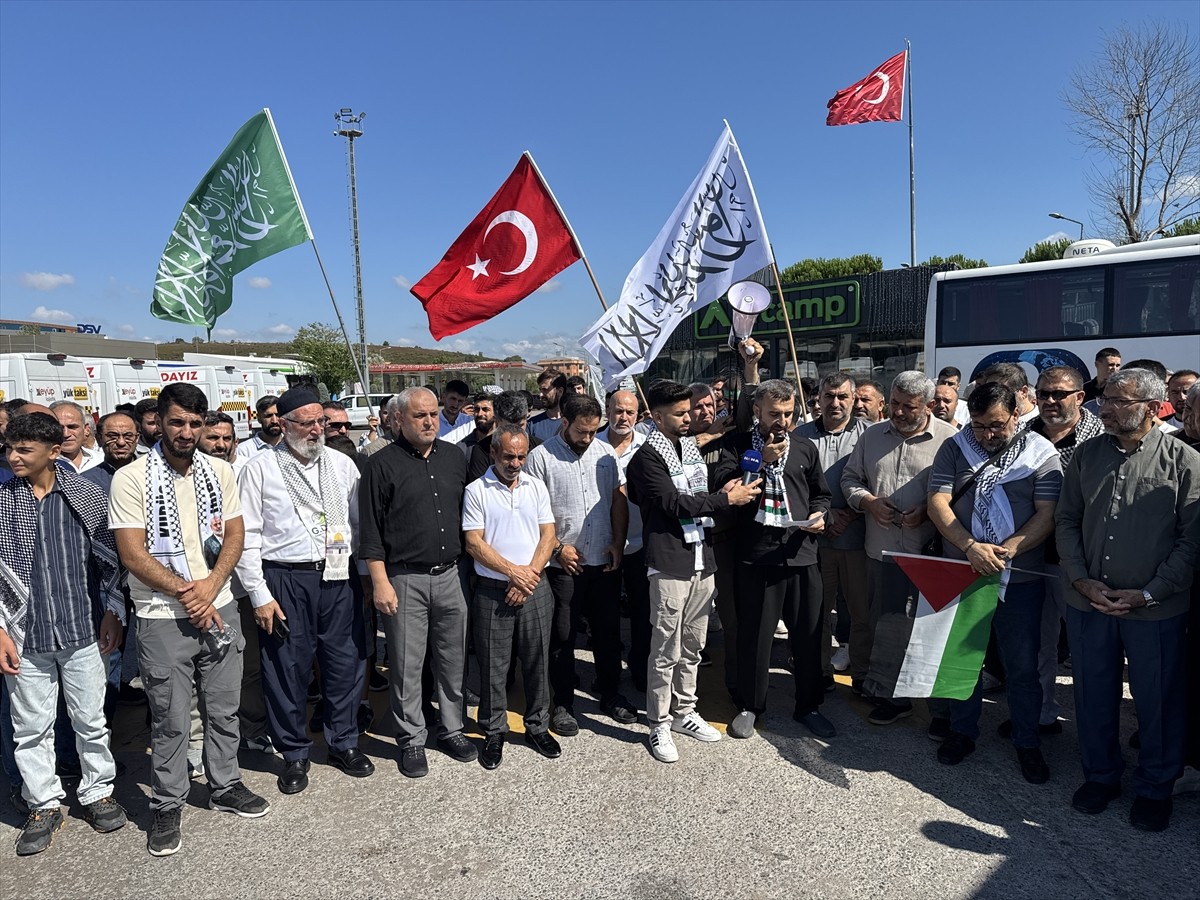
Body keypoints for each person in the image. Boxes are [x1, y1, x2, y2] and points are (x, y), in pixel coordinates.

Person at [109, 383, 270, 857]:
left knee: (223, 707)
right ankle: (167, 802)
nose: (186, 432)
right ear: (156, 421)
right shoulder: (132, 477)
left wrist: (211, 588)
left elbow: (235, 535)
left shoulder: (219, 471)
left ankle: (225, 785)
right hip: (162, 616)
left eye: (195, 424)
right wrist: (188, 593)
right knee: (171, 717)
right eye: (177, 422)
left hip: (218, 606)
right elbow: (132, 553)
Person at [1055, 367, 1200, 833]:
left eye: (1118, 400)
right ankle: (1101, 776)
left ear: (1153, 407)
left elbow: (1192, 541)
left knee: (1157, 700)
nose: (1105, 407)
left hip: (1157, 609)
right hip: (1089, 604)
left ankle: (1156, 787)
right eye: (1104, 399)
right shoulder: (1085, 456)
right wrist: (1081, 580)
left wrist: (1150, 592)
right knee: (1093, 695)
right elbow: (1066, 522)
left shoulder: (1184, 461)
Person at [0, 412, 128, 855]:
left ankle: (97, 793)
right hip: (23, 635)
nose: (13, 457)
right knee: (31, 727)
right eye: (10, 449)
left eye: (24, 450)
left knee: (90, 721)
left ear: (54, 452)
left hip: (81, 631)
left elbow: (110, 562)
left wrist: (113, 613)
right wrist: (0, 629)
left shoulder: (86, 498)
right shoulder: (1, 503)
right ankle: (43, 804)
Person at [236, 388, 372, 795]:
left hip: (337, 576)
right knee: (287, 668)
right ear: (284, 424)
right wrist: (259, 594)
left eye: (322, 422)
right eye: (308, 423)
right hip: (285, 579)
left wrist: (363, 575)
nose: (317, 430)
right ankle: (294, 752)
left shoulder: (343, 465)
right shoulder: (260, 468)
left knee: (344, 661)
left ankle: (343, 741)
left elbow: (358, 525)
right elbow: (248, 536)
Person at [927, 382, 1062, 781]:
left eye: (997, 426)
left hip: (1016, 574)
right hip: (964, 569)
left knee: (1021, 665)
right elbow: (938, 502)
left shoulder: (1042, 454)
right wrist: (970, 546)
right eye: (981, 426)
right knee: (962, 660)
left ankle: (1027, 740)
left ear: (1016, 416)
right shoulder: (956, 447)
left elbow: (1047, 512)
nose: (987, 435)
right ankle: (961, 731)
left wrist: (1007, 550)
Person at [626, 381, 760, 761]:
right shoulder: (645, 457)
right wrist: (724, 499)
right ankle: (659, 723)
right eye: (680, 414)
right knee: (665, 647)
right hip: (670, 561)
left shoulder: (690, 448)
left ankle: (685, 710)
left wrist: (726, 489)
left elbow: (699, 491)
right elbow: (673, 503)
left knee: (694, 644)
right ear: (656, 416)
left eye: (689, 412)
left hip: (704, 557)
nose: (689, 419)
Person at [359, 388, 476, 777]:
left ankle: (453, 728)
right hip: (404, 578)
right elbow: (371, 532)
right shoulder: (381, 465)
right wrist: (380, 581)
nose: (429, 422)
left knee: (452, 659)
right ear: (398, 420)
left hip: (451, 575)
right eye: (419, 416)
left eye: (433, 414)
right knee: (408, 664)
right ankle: (411, 739)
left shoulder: (454, 457)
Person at [716, 380, 833, 739]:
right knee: (755, 636)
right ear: (756, 412)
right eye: (773, 414)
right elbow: (723, 486)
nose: (781, 421)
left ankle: (809, 706)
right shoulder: (736, 446)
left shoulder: (805, 448)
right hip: (756, 556)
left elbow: (820, 493)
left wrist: (820, 514)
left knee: (808, 636)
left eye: (787, 414)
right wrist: (759, 464)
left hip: (801, 554)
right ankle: (751, 705)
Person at [842, 371, 958, 725]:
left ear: (929, 405)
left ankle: (939, 711)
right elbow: (851, 479)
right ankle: (892, 699)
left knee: (930, 633)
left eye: (909, 407)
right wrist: (867, 503)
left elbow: (962, 493)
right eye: (894, 403)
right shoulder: (872, 436)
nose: (898, 412)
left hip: (931, 554)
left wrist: (928, 513)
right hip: (882, 553)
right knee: (888, 628)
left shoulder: (950, 440)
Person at [524, 394, 631, 735]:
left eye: (593, 431)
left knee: (608, 632)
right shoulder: (540, 459)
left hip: (604, 560)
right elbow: (533, 514)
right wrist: (557, 548)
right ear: (564, 423)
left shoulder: (605, 454)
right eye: (581, 432)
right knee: (563, 637)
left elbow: (618, 500)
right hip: (562, 568)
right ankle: (564, 704)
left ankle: (610, 693)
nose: (587, 438)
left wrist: (617, 541)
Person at [462, 426, 560, 769]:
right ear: (493, 453)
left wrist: (527, 576)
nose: (515, 463)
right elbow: (474, 543)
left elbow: (548, 535)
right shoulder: (477, 491)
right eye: (508, 456)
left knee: (538, 660)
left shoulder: (536, 486)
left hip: (534, 586)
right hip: (493, 591)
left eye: (521, 456)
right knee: (493, 664)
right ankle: (493, 730)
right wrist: (511, 572)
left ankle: (537, 726)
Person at [1023, 366, 1104, 738]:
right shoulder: (1024, 435)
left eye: (1059, 394)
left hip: (1082, 565)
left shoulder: (1100, 441)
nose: (1050, 401)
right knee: (1039, 643)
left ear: (1079, 397)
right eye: (1044, 394)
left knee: (1089, 651)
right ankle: (1041, 713)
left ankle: (1097, 727)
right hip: (1033, 559)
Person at [796, 374, 871, 692]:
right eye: (829, 396)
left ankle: (863, 672)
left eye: (842, 396)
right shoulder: (799, 436)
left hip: (858, 540)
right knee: (817, 612)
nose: (835, 403)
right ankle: (821, 670)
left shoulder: (872, 435)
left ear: (854, 399)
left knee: (861, 613)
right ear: (819, 399)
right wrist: (826, 514)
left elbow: (878, 484)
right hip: (816, 541)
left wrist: (850, 513)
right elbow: (795, 488)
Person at [598, 390, 649, 690]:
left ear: (638, 414)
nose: (624, 417)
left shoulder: (648, 447)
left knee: (643, 613)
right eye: (618, 411)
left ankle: (640, 669)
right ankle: (609, 675)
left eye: (630, 412)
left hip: (642, 543)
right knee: (605, 616)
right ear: (608, 409)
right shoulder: (593, 444)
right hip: (604, 544)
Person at [467, 391, 542, 483]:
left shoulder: (539, 448)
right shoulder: (481, 450)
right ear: (496, 420)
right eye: (508, 428)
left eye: (520, 426)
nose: (516, 433)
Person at [49, 400, 103, 473]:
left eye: (72, 427)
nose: (66, 434)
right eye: (59, 428)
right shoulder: (43, 465)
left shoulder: (101, 460)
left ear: (86, 429)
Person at [237, 395, 282, 460]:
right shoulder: (244, 451)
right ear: (259, 418)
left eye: (277, 415)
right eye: (268, 416)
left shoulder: (292, 445)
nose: (274, 421)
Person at [528, 370, 567, 442]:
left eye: (545, 390)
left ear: (560, 391)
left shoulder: (573, 423)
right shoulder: (532, 424)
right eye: (540, 390)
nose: (541, 395)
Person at [458, 391, 496, 458]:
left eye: (485, 409)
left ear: (495, 412)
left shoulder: (504, 443)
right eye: (476, 409)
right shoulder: (462, 448)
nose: (480, 414)